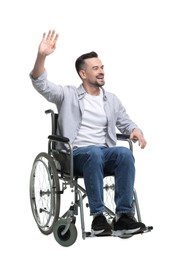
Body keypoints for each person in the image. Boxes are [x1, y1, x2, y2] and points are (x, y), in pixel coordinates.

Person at [30, 30, 147, 237]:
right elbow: (40, 84)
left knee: (125, 153)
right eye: (95, 68)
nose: (101, 71)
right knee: (93, 152)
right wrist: (42, 56)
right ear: (83, 74)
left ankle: (123, 217)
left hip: (103, 153)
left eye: (102, 67)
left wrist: (135, 130)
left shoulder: (111, 99)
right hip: (73, 155)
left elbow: (125, 121)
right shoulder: (67, 95)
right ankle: (98, 218)